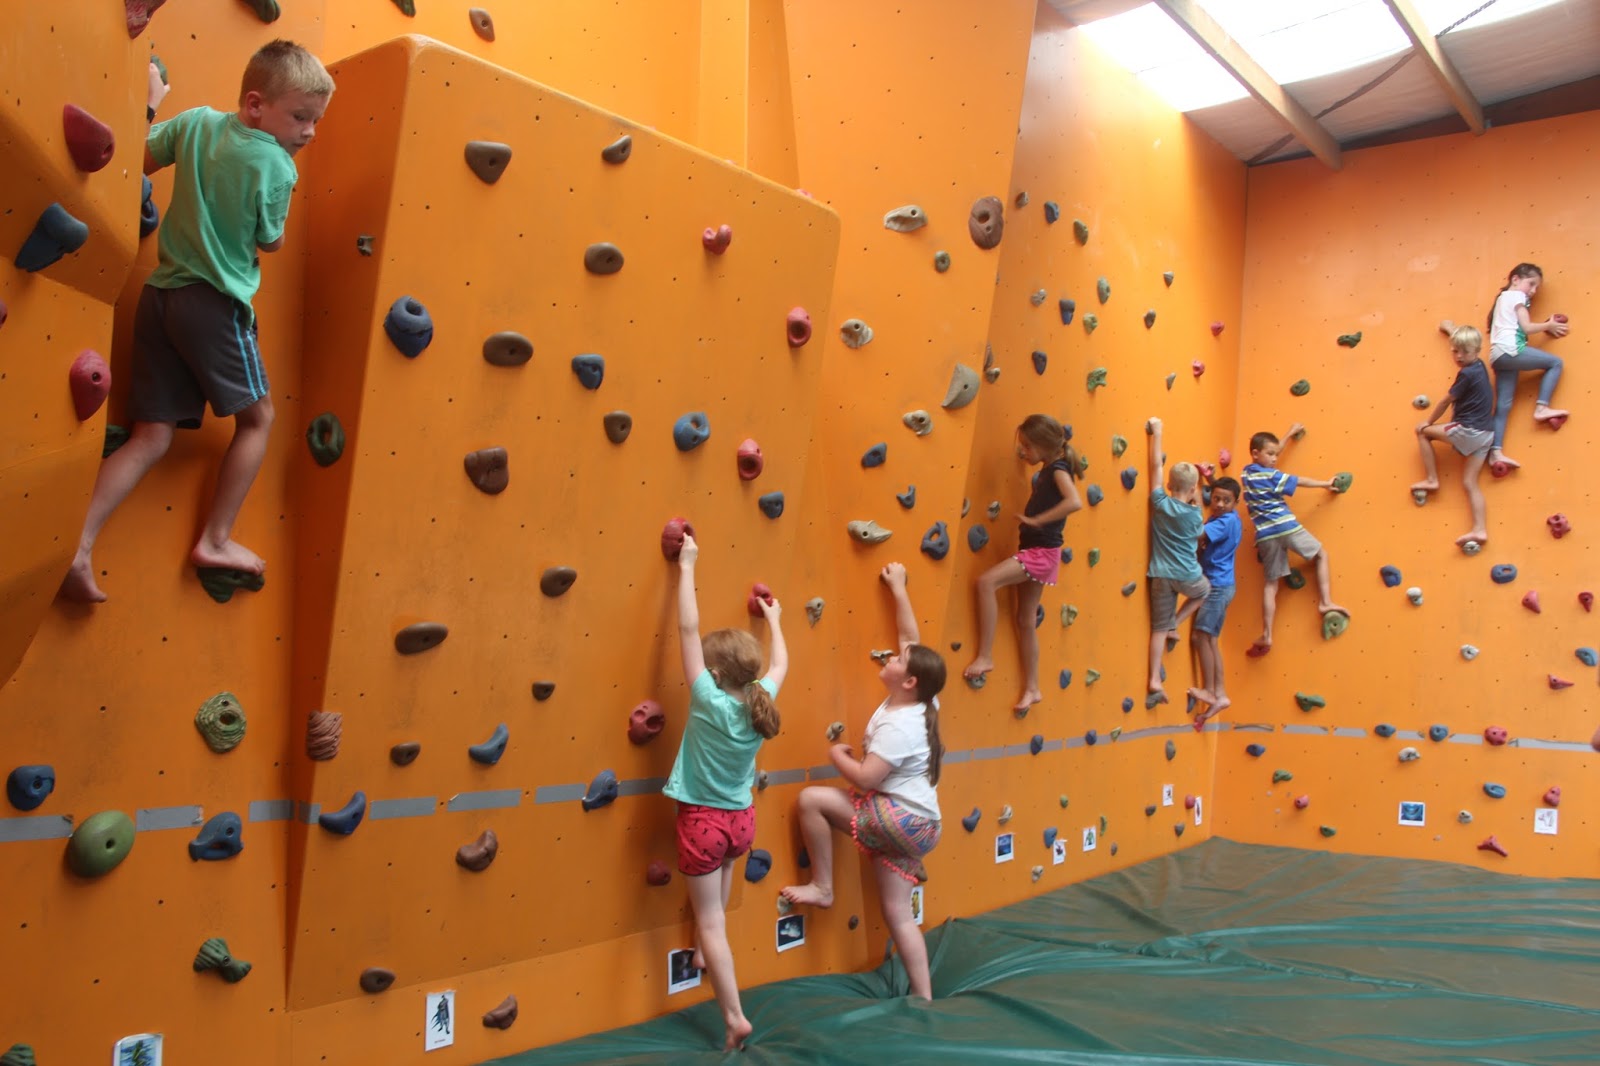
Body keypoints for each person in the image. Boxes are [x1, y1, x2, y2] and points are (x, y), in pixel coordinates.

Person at [59, 40, 334, 603]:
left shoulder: (197, 124)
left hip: (161, 298)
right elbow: (271, 240)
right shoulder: (278, 165)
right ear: (255, 105)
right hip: (214, 304)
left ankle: (76, 546)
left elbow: (136, 159)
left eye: (315, 121)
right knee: (258, 419)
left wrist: (151, 102)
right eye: (300, 117)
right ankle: (215, 538)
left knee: (151, 435)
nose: (308, 132)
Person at [780, 562, 945, 1001]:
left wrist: (838, 757)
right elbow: (910, 638)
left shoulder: (898, 726)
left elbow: (869, 778)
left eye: (897, 661)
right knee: (897, 913)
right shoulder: (924, 703)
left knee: (812, 800)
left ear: (909, 680)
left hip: (899, 819)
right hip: (924, 825)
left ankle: (823, 886)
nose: (891, 656)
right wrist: (898, 588)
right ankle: (924, 995)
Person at [663, 532, 785, 1051]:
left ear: (713, 675)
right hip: (740, 823)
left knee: (712, 921)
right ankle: (700, 952)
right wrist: (774, 620)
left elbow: (687, 628)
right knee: (720, 887)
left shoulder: (707, 700)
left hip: (703, 822)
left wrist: (687, 566)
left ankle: (735, 1016)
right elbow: (780, 666)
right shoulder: (761, 699)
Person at [962, 414, 1083, 714]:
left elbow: (1074, 502)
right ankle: (1033, 688)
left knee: (986, 583)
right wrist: (1025, 454)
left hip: (1041, 552)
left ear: (1044, 446)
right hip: (1038, 550)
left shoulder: (1058, 470)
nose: (1024, 452)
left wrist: (1038, 520)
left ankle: (985, 656)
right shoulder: (1049, 466)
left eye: (1027, 447)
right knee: (1026, 621)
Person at [1240, 425, 1347, 656]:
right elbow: (1300, 481)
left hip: (1265, 535)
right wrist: (1325, 483)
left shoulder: (1246, 474)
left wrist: (1289, 434)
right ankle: (1325, 601)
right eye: (1270, 454)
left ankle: (1267, 634)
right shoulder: (1271, 475)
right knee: (1321, 555)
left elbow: (1272, 449)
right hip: (1286, 526)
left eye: (1275, 454)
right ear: (1255, 454)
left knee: (1271, 584)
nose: (1274, 458)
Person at [1482, 262, 1572, 473]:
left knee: (1503, 406)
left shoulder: (1501, 299)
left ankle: (1495, 452)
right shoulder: (1517, 296)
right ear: (1515, 279)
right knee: (1556, 363)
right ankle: (1541, 407)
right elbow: (1527, 327)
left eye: (1536, 288)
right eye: (1531, 284)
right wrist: (1549, 325)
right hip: (1511, 350)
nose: (1533, 291)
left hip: (1497, 356)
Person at [1143, 419, 1209, 708]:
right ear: (1193, 488)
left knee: (1157, 629)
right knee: (1204, 590)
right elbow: (1200, 532)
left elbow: (1155, 467)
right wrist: (1199, 491)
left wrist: (1157, 432)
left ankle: (1154, 679)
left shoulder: (1160, 502)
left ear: (1170, 485)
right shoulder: (1195, 515)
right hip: (1187, 575)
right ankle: (1176, 624)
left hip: (1159, 574)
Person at [1412, 325, 1494, 547]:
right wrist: (1451, 330)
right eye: (1455, 351)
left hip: (1469, 430)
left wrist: (1428, 422)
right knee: (1470, 482)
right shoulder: (1479, 364)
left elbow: (1446, 401)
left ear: (1476, 350)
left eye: (1464, 352)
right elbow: (1467, 341)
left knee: (1423, 433)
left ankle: (1432, 479)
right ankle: (1480, 529)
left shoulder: (1466, 374)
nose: (1459, 357)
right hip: (1486, 434)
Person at [1177, 475, 1242, 725]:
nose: (1220, 504)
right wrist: (1207, 480)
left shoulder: (1224, 521)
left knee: (1200, 637)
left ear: (1235, 503)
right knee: (1211, 640)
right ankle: (1220, 694)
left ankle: (1210, 690)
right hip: (1222, 584)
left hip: (1217, 586)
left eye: (1226, 501)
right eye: (1216, 499)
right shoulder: (1227, 518)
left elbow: (1198, 534)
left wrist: (1191, 502)